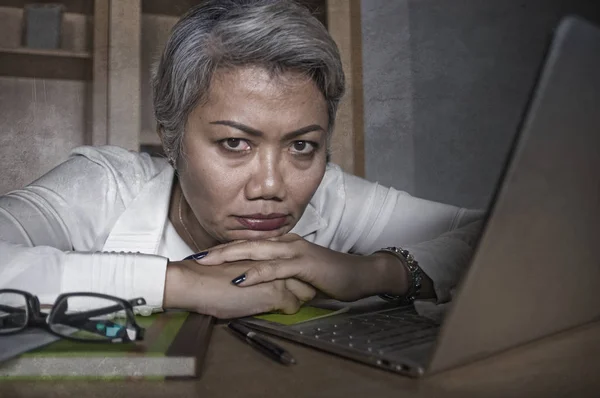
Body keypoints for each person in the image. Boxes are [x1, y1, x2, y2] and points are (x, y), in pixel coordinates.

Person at [0, 0, 483, 319]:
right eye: (235, 143)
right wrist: (180, 283)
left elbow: (503, 233)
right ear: (170, 137)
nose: (272, 186)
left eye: (301, 146)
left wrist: (372, 273)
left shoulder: (330, 197)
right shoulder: (105, 187)